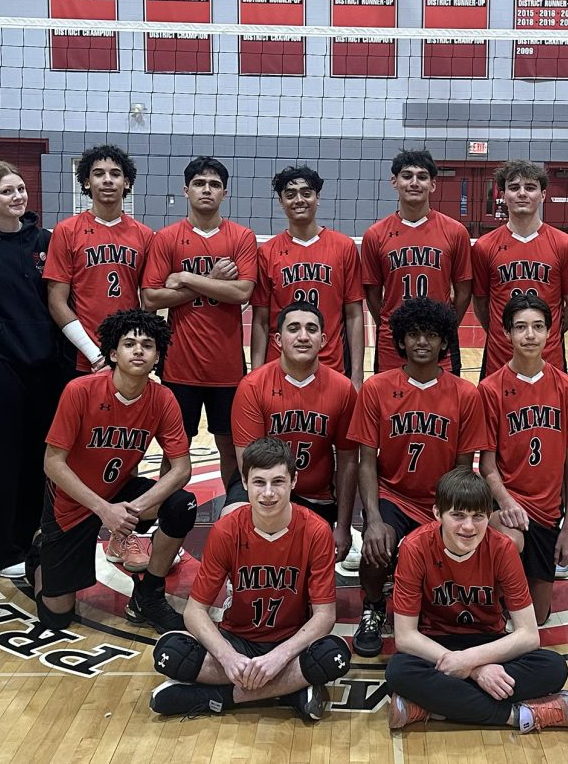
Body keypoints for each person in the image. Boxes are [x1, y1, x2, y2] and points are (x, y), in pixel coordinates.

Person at [149, 437, 351, 720]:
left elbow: (325, 616)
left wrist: (277, 658)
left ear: (293, 482)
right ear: (244, 483)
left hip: (289, 643)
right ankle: (289, 691)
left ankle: (216, 698)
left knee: (334, 655)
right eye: (259, 482)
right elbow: (195, 612)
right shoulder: (227, 529)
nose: (268, 493)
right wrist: (228, 658)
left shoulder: (316, 531)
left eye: (278, 482)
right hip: (238, 640)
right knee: (169, 652)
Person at [29, 309, 198, 634]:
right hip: (73, 501)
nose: (138, 350)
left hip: (121, 492)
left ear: (157, 355)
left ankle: (148, 595)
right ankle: (39, 556)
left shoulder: (163, 399)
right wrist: (104, 509)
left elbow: (181, 469)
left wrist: (132, 509)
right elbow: (52, 462)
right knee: (57, 616)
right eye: (129, 343)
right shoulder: (80, 390)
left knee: (181, 504)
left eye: (147, 345)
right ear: (112, 352)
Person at [386, 469, 568, 732]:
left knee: (553, 667)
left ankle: (430, 706)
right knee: (398, 671)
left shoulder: (503, 548)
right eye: (458, 515)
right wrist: (475, 671)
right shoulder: (414, 547)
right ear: (438, 513)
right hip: (437, 647)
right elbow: (405, 637)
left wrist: (472, 660)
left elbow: (529, 635)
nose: (469, 527)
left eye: (478, 517)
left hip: (489, 645)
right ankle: (521, 716)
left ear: (488, 517)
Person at [347, 297, 489, 657]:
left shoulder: (465, 394)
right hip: (393, 495)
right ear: (400, 341)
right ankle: (374, 607)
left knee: (444, 556)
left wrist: (446, 518)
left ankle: (432, 607)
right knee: (376, 548)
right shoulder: (377, 389)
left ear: (444, 341)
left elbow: (462, 467)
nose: (422, 342)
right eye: (413, 335)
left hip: (440, 502)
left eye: (430, 335)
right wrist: (373, 519)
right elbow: (366, 461)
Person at [0, 160, 63, 580]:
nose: (18, 197)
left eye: (21, 189)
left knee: (38, 458)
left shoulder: (46, 240)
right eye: (7, 191)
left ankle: (28, 538)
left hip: (44, 365)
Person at [142, 156, 258, 489]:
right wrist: (210, 279)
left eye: (214, 184)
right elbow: (151, 298)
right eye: (199, 183)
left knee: (231, 447)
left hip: (228, 368)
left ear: (225, 193)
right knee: (174, 449)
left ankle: (236, 510)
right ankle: (165, 516)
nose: (206, 190)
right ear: (186, 190)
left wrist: (188, 278)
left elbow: (242, 292)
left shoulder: (241, 237)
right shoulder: (166, 238)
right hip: (180, 367)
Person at [480, 293, 568, 624]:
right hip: (507, 509)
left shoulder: (567, 387)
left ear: (550, 333)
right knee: (510, 542)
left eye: (538, 327)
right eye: (521, 327)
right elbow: (486, 464)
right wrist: (506, 502)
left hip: (547, 514)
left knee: (538, 618)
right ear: (507, 334)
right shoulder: (490, 388)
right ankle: (487, 607)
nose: (530, 335)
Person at [230, 302, 358, 561]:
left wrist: (343, 527)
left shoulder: (343, 389)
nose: (302, 336)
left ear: (323, 340)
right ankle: (239, 586)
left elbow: (347, 460)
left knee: (309, 567)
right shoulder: (253, 386)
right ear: (277, 339)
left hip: (318, 495)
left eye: (311, 329)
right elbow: (250, 462)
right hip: (265, 488)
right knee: (231, 522)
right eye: (293, 328)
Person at [251, 166, 365, 387]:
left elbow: (354, 315)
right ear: (281, 202)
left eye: (306, 193)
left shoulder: (344, 247)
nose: (299, 200)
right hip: (280, 367)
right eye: (290, 194)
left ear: (317, 197)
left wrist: (357, 376)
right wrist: (256, 374)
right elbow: (261, 320)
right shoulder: (267, 252)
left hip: (331, 366)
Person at [361, 150, 473, 374]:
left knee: (443, 406)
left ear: (432, 184)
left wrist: (445, 326)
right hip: (392, 343)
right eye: (407, 176)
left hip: (439, 341)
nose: (414, 183)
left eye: (422, 177)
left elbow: (463, 291)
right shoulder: (375, 235)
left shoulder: (455, 232)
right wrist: (393, 324)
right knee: (391, 405)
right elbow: (372, 294)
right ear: (394, 182)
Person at [44, 145, 153, 374]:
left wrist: (137, 347)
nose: (107, 180)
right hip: (80, 354)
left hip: (127, 354)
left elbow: (150, 300)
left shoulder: (144, 235)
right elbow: (56, 302)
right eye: (98, 173)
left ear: (127, 183)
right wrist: (94, 354)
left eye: (115, 174)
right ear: (86, 182)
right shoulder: (66, 231)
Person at [472, 159, 568, 376]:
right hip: (500, 359)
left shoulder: (565, 245)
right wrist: (505, 332)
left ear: (542, 195)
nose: (522, 193)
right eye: (514, 188)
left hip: (548, 358)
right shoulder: (484, 247)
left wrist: (547, 333)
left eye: (530, 188)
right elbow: (481, 303)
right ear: (503, 195)